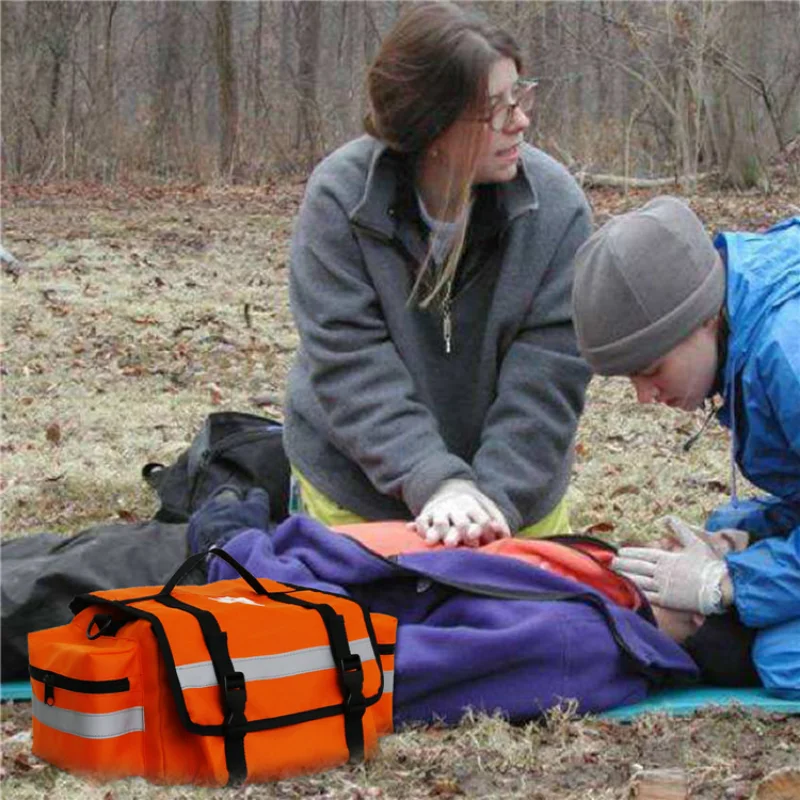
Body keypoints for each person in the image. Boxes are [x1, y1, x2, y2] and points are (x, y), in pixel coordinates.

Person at [284, 2, 592, 549]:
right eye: (496, 108)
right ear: (432, 126)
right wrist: (437, 482)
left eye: (521, 95)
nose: (520, 119)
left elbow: (549, 375)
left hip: (515, 494)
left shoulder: (558, 208)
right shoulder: (340, 199)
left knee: (521, 630)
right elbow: (350, 363)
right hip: (358, 487)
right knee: (374, 633)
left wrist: (491, 502)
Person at [571, 195, 800, 697]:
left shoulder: (788, 353)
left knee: (783, 658)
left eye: (650, 369)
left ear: (700, 319)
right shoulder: (744, 312)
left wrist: (728, 584)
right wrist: (743, 541)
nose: (645, 396)